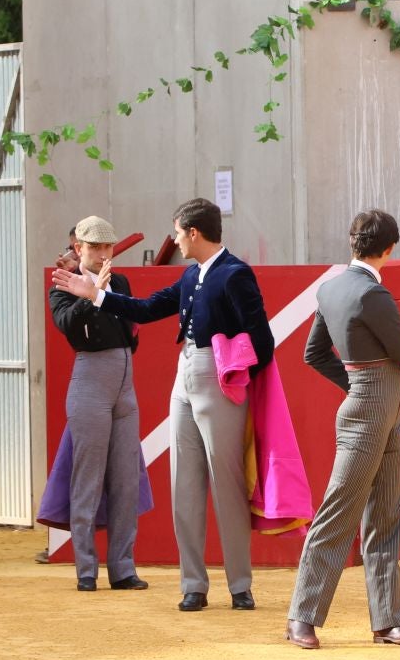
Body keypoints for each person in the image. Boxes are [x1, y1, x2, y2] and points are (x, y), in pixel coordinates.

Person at [82, 198, 277, 613]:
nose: (174, 241)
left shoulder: (235, 274)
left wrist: (238, 376)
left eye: (177, 233)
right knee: (183, 486)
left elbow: (262, 339)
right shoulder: (192, 275)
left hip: (217, 377)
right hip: (184, 375)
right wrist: (97, 297)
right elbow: (149, 308)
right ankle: (194, 585)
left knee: (226, 486)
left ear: (193, 232)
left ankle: (239, 584)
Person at [286, 211, 400, 651]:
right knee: (344, 511)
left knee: (385, 513)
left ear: (353, 241)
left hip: (380, 406)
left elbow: (314, 355)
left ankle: (388, 622)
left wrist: (356, 385)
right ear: (390, 248)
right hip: (377, 407)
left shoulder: (330, 289)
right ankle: (301, 616)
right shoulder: (373, 293)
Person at [46, 217, 149, 593]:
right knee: (87, 478)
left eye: (108, 247)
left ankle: (123, 568)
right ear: (79, 249)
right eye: (95, 247)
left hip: (124, 382)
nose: (104, 253)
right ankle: (86, 570)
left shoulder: (120, 283)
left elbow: (132, 327)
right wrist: (91, 296)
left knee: (125, 478)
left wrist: (106, 294)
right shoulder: (63, 284)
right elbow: (67, 325)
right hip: (90, 381)